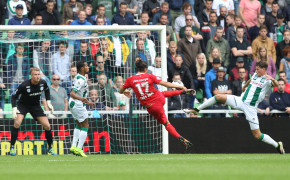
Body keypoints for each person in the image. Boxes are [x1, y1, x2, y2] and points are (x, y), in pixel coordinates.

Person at [184, 61, 285, 154]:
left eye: (258, 69)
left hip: (251, 108)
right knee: (218, 96)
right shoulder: (255, 75)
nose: (256, 70)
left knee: (257, 135)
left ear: (264, 69)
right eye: (256, 68)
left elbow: (275, 84)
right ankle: (197, 109)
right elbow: (251, 79)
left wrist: (272, 79)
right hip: (240, 101)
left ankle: (277, 145)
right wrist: (245, 86)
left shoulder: (267, 80)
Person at [120, 60, 194, 149]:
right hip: (159, 99)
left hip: (151, 108)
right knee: (162, 93)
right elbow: (166, 84)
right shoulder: (149, 76)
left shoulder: (130, 79)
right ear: (146, 69)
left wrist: (125, 92)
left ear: (136, 69)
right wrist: (180, 86)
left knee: (166, 123)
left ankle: (179, 137)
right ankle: (181, 92)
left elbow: (120, 89)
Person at [9, 67, 56, 156]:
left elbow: (47, 90)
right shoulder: (24, 85)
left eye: (39, 74)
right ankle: (12, 147)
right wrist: (14, 108)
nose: (37, 76)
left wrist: (49, 102)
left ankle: (50, 147)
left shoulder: (43, 83)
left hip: (35, 106)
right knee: (17, 123)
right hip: (23, 105)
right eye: (35, 74)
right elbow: (14, 96)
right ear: (31, 76)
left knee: (47, 126)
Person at [69, 61, 95, 157]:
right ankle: (79, 148)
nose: (88, 67)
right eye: (86, 65)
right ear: (82, 68)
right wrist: (82, 99)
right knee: (85, 125)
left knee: (79, 124)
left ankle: (73, 146)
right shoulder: (81, 80)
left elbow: (80, 94)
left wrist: (88, 102)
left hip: (74, 103)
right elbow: (72, 93)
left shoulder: (80, 77)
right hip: (77, 104)